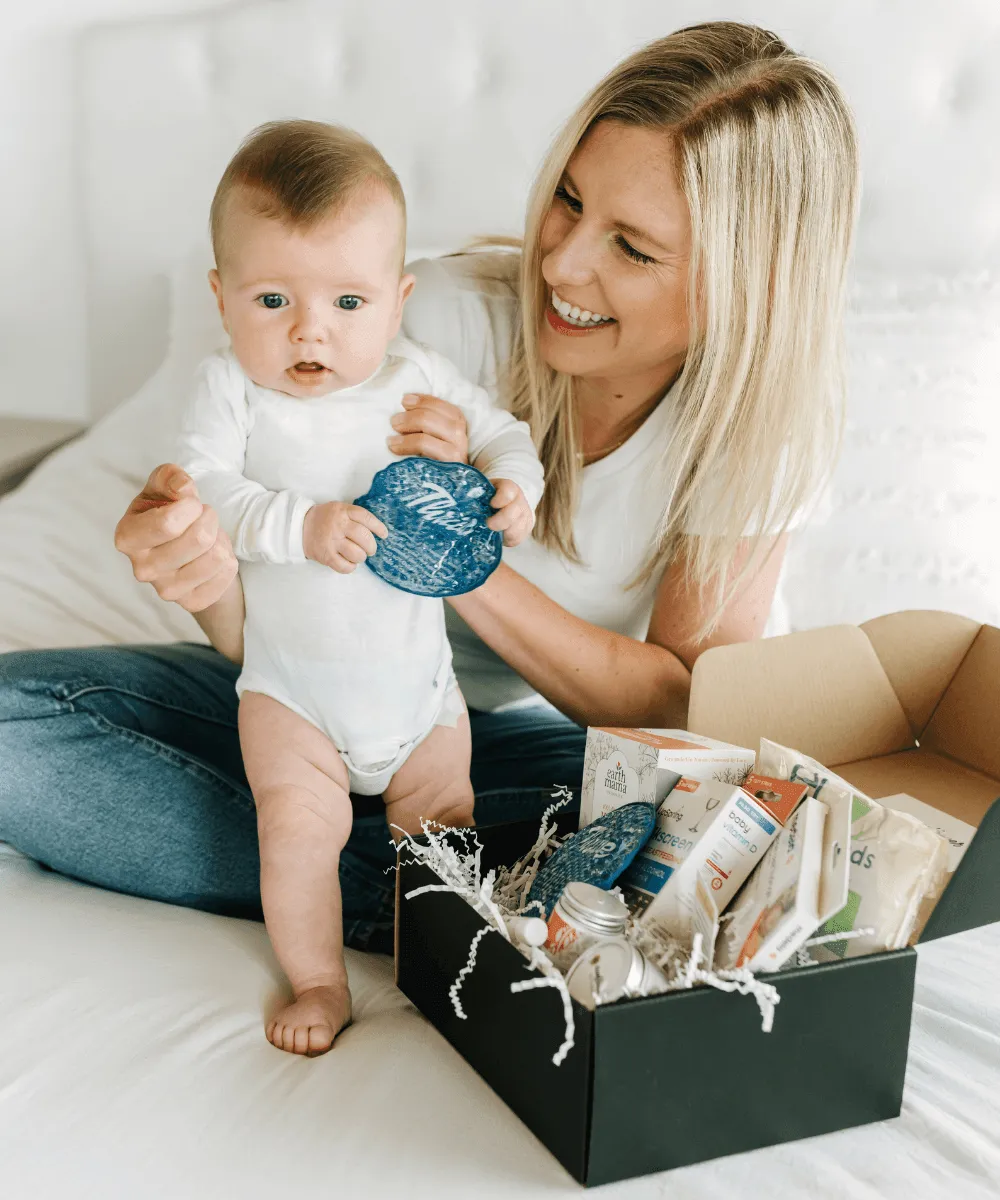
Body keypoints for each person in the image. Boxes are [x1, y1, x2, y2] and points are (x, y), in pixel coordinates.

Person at [0, 22, 860, 984]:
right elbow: (271, 630)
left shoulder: (756, 428)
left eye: (632, 247)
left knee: (664, 821)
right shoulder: (423, 323)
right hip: (302, 695)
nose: (563, 265)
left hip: (481, 740)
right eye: (569, 201)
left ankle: (361, 885)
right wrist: (203, 576)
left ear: (744, 285)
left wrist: (449, 543)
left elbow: (680, 713)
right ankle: (441, 904)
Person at [177, 120, 544, 1054]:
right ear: (221, 299)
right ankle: (319, 977)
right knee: (296, 833)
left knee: (444, 829)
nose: (311, 329)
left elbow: (503, 432)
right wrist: (298, 525)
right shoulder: (231, 392)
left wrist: (511, 488)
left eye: (348, 299)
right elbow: (207, 493)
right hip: (294, 700)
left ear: (397, 300)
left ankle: (439, 964)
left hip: (422, 702)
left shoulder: (416, 379)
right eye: (271, 299)